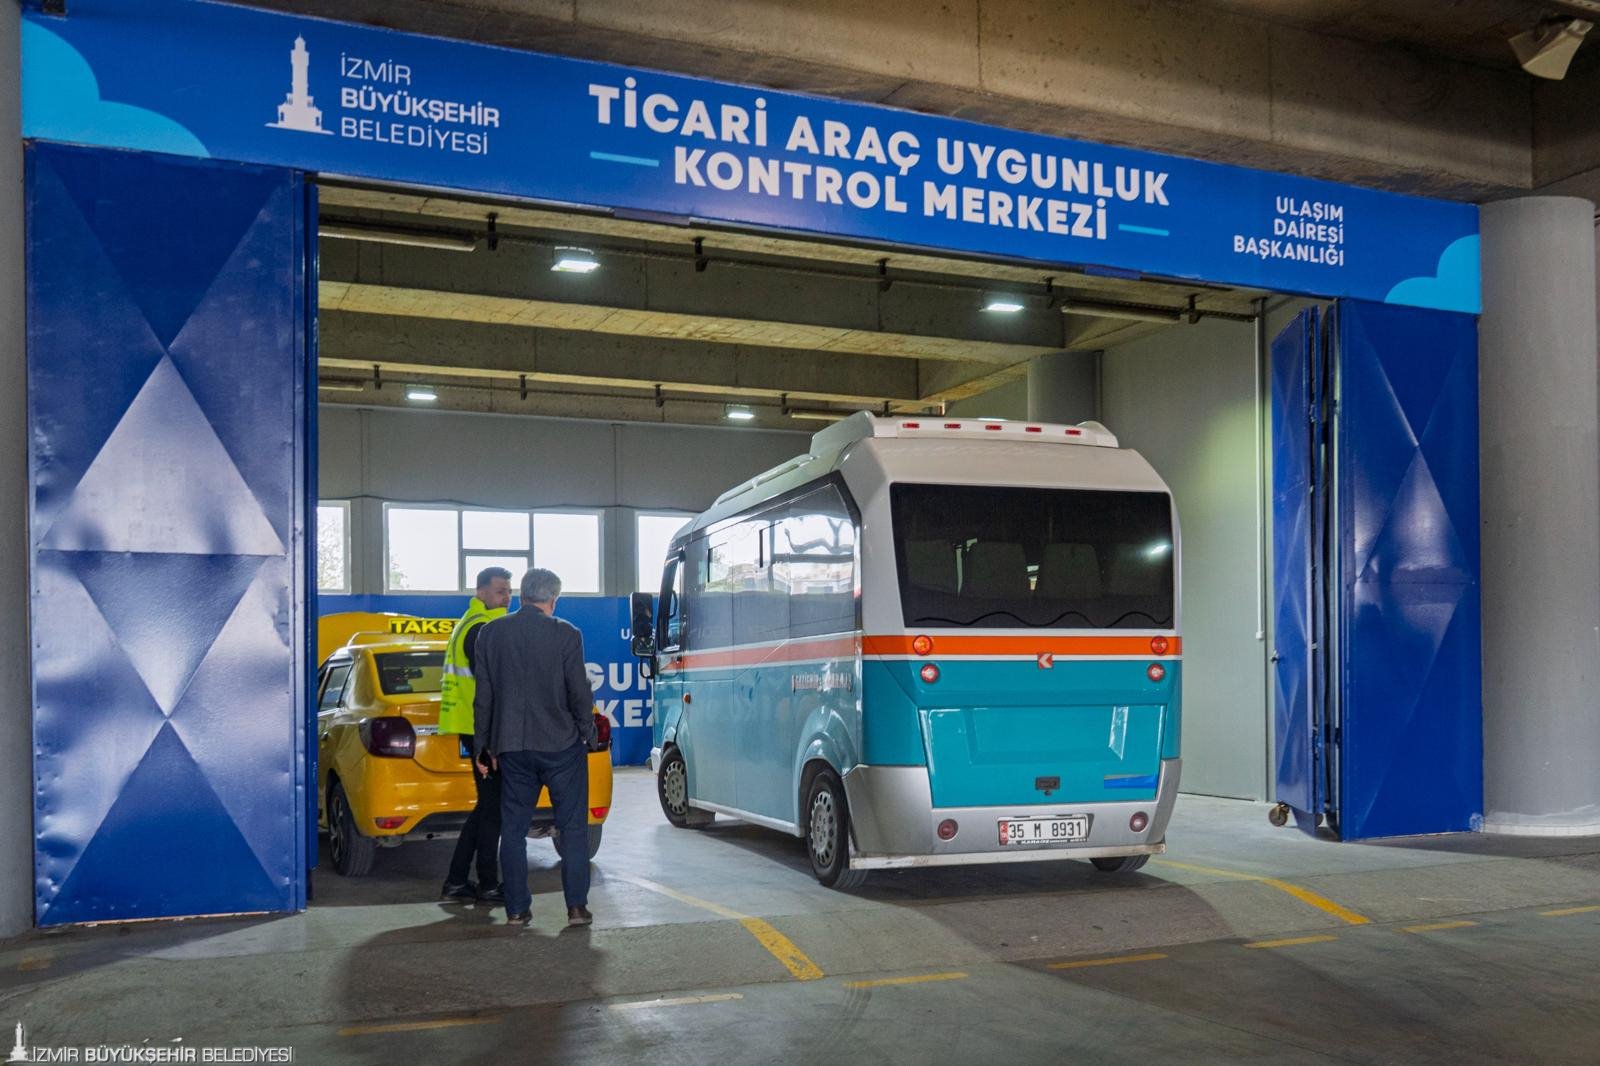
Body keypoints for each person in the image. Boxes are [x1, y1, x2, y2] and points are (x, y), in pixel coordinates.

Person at [472, 568, 599, 927]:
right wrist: (586, 732)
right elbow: (579, 690)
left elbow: (484, 697)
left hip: (512, 748)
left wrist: (483, 746)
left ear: (522, 595)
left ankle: (516, 909)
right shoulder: (566, 633)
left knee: (512, 830)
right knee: (573, 828)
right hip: (562, 746)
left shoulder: (490, 633)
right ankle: (576, 908)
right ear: (553, 600)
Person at [437, 566, 513, 903]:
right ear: (481, 592)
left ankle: (456, 880)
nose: (507, 597)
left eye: (509, 591)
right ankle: (488, 883)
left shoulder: (471, 622)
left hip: (474, 726)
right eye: (500, 591)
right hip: (482, 729)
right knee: (492, 810)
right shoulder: (481, 628)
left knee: (487, 807)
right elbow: (489, 685)